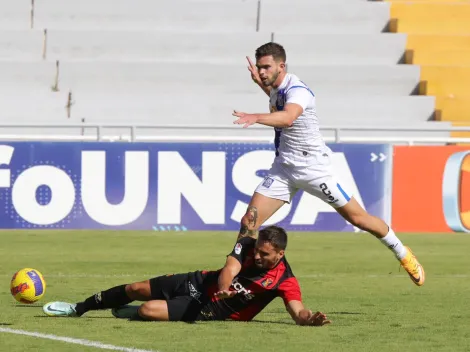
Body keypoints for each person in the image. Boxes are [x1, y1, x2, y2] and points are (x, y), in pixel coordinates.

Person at [232, 42, 425, 286]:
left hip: (314, 170)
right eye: (259, 67)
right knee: (249, 220)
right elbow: (277, 100)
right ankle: (236, 275)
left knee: (359, 219)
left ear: (282, 66)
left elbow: (289, 117)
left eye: (266, 67)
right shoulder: (274, 86)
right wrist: (261, 84)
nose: (261, 72)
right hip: (284, 170)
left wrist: (255, 116)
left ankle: (402, 252)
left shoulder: (299, 90)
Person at [42, 226, 331, 326]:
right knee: (136, 287)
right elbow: (229, 268)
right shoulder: (247, 244)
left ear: (279, 254)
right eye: (257, 251)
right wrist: (225, 287)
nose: (257, 257)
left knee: (146, 309)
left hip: (211, 309)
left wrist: (309, 319)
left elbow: (298, 311)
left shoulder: (285, 280)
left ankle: (131, 313)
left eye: (265, 255)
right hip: (201, 281)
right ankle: (78, 308)